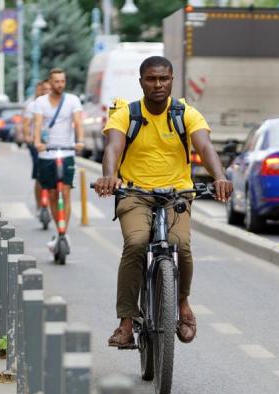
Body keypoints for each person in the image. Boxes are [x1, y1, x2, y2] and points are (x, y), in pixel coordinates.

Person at [94, 56, 233, 347]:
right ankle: (126, 321)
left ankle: (182, 305)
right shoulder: (126, 114)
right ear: (141, 81)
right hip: (134, 193)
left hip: (176, 194)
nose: (158, 84)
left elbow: (205, 146)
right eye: (151, 79)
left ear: (172, 80)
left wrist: (219, 176)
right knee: (135, 243)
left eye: (164, 79)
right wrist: (109, 177)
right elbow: (113, 147)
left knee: (180, 245)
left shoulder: (186, 113)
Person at [32, 69, 84, 252]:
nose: (60, 85)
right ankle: (58, 228)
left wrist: (80, 141)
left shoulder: (72, 100)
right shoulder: (40, 102)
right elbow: (38, 124)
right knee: (53, 194)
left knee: (66, 191)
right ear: (50, 82)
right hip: (47, 153)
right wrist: (37, 141)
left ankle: (63, 233)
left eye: (62, 81)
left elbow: (78, 122)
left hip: (67, 151)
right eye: (56, 81)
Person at [23, 80, 51, 212]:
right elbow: (26, 124)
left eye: (46, 90)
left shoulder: (53, 104)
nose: (43, 92)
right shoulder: (32, 105)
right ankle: (40, 205)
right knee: (39, 174)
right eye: (41, 90)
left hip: (51, 143)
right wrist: (28, 137)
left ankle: (51, 202)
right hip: (36, 143)